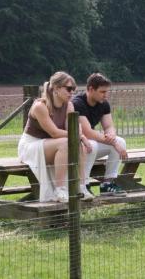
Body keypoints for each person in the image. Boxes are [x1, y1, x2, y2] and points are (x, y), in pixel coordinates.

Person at [17, 71, 94, 203]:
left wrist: (79, 136)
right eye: (69, 89)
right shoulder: (40, 106)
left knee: (77, 144)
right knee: (66, 142)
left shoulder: (69, 105)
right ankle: (60, 190)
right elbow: (55, 133)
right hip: (31, 145)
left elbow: (72, 128)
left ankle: (81, 187)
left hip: (53, 143)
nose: (72, 93)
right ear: (57, 88)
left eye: (73, 90)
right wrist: (80, 136)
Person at [72, 73, 128, 196]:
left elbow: (108, 126)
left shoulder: (103, 103)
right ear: (91, 89)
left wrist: (112, 136)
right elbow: (88, 132)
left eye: (107, 91)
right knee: (91, 145)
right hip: (76, 146)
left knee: (121, 141)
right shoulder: (77, 103)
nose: (106, 95)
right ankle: (84, 185)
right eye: (102, 92)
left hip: (88, 145)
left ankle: (107, 184)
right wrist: (113, 142)